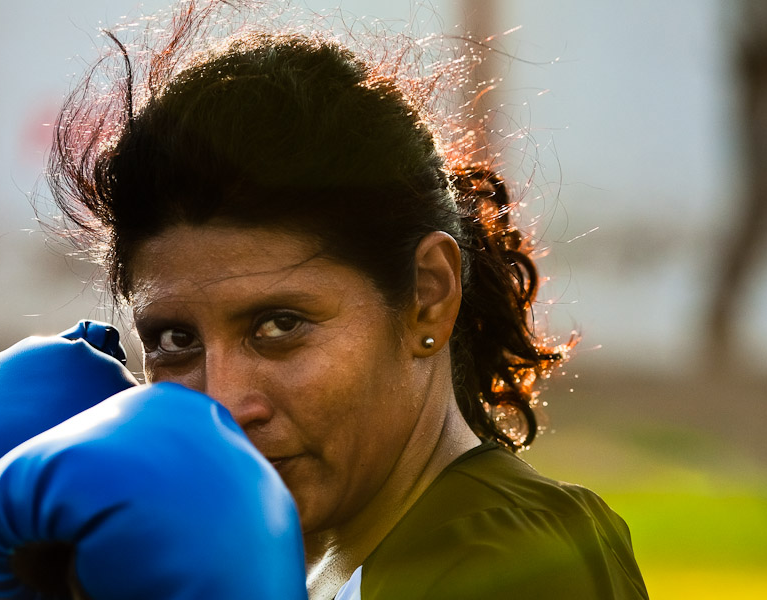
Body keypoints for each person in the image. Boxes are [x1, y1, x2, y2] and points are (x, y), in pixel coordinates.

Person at [47, 1, 649, 598]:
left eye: (279, 326)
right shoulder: (289, 563)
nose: (224, 404)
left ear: (428, 297)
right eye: (175, 341)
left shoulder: (513, 558)